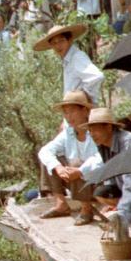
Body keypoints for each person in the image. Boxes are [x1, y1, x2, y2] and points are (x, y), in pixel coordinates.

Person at [37, 91, 99, 225]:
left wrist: (80, 170)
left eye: (72, 112)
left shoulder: (96, 131)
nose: (68, 116)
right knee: (49, 159)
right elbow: (46, 151)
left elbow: (100, 159)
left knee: (77, 165)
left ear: (85, 111)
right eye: (65, 113)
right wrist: (58, 167)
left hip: (99, 182)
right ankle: (61, 204)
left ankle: (87, 209)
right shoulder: (68, 133)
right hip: (77, 181)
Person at [81, 108, 131, 231]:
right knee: (102, 192)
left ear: (108, 127)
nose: (92, 134)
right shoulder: (104, 145)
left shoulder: (128, 143)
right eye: (90, 130)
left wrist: (122, 213)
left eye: (95, 129)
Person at [32, 23, 103, 103]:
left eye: (61, 41)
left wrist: (82, 99)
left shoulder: (77, 57)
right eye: (54, 43)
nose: (58, 46)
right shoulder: (68, 60)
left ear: (69, 40)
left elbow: (96, 77)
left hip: (82, 111)